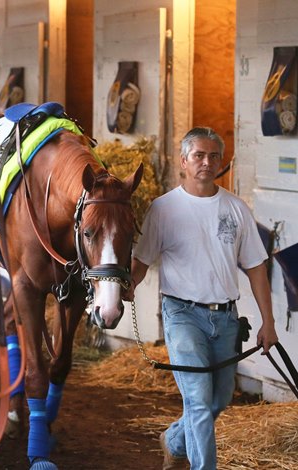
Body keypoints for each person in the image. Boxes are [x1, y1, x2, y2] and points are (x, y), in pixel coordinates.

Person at [123, 127, 278, 470]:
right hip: (182, 314)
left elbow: (256, 268)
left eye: (213, 156)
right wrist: (126, 286)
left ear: (221, 162)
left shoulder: (236, 209)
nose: (206, 162)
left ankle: (174, 440)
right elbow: (141, 262)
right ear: (183, 161)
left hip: (225, 318)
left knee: (218, 400)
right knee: (197, 400)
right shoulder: (163, 209)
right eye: (199, 156)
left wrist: (268, 322)